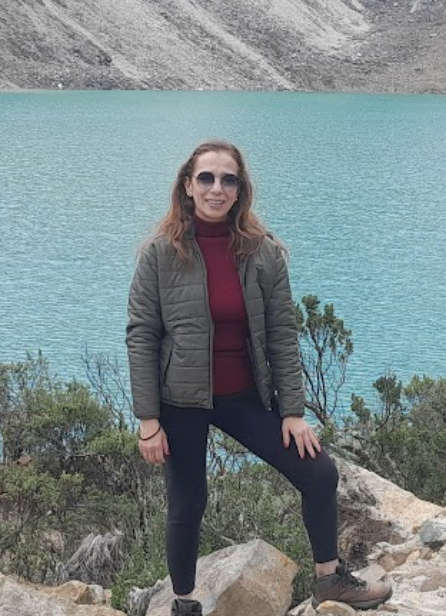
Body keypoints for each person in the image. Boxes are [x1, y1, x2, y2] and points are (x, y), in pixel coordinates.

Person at [127, 140, 392, 615]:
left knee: (319, 473)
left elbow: (282, 335)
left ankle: (329, 581)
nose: (217, 188)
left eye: (228, 179)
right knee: (187, 503)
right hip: (180, 400)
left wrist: (292, 412)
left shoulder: (263, 253)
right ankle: (184, 603)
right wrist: (148, 420)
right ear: (187, 185)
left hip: (244, 397)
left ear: (240, 189)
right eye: (206, 178)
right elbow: (141, 335)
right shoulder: (159, 255)